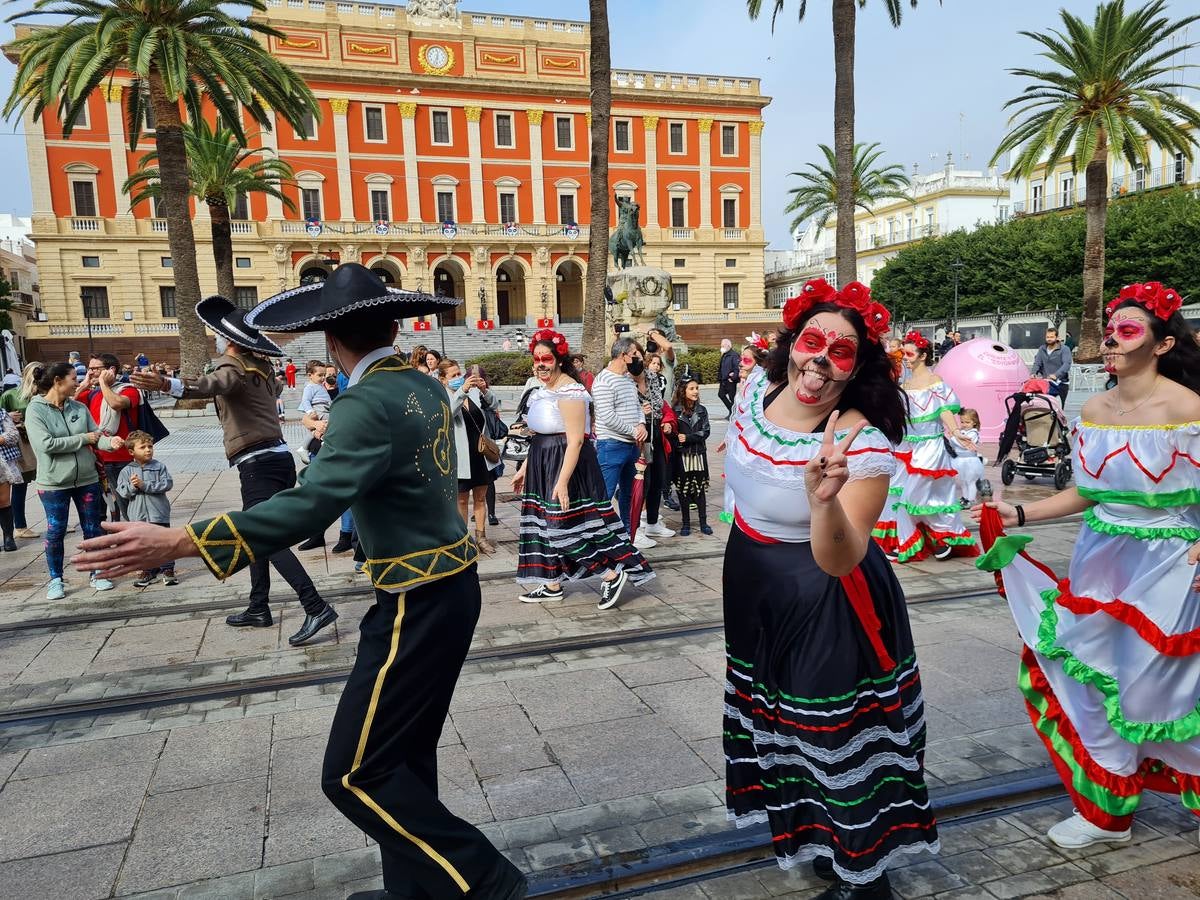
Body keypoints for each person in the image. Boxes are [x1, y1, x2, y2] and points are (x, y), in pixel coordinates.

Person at [76, 263, 527, 900]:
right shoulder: (422, 384)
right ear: (390, 327)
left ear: (332, 340)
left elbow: (310, 504)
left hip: (414, 604)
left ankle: (485, 882)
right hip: (450, 587)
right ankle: (417, 892)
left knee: (352, 774)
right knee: (402, 756)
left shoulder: (363, 401)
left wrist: (180, 539)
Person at [723, 278, 937, 897]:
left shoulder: (859, 441)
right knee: (784, 728)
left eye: (839, 352)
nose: (818, 362)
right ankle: (829, 840)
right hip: (756, 586)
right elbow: (742, 489)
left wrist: (822, 501)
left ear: (857, 365)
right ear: (791, 340)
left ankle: (867, 880)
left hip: (828, 594)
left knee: (832, 734)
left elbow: (842, 559)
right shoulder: (755, 394)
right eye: (811, 341)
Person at [971, 280, 1200, 851]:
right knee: (1092, 678)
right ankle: (1107, 812)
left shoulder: (1189, 409)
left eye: (1127, 331)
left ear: (1163, 344)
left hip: (1171, 564)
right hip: (1101, 561)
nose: (1111, 341)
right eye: (1110, 329)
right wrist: (1020, 512)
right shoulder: (1095, 408)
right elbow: (1088, 494)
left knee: (1160, 691)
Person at [131, 296, 337, 647]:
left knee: (263, 537)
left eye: (216, 335)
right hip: (275, 458)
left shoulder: (234, 366)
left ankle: (314, 605)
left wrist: (168, 385)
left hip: (258, 463)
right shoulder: (261, 367)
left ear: (229, 340)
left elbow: (212, 385)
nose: (214, 339)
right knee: (254, 533)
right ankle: (258, 607)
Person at [513, 328, 652, 609]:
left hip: (568, 465)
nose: (540, 364)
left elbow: (576, 440)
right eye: (536, 359)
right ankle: (551, 583)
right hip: (543, 463)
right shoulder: (543, 390)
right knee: (542, 525)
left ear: (559, 360)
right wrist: (526, 467)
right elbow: (541, 434)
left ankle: (610, 574)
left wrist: (562, 482)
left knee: (561, 528)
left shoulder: (571, 391)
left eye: (547, 359)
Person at [873, 330, 978, 563]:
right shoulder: (905, 384)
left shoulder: (935, 382)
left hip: (930, 446)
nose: (907, 358)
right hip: (906, 446)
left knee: (916, 494)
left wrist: (957, 432)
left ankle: (942, 535)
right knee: (899, 495)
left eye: (910, 354)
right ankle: (912, 540)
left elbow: (945, 411)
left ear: (923, 356)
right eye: (904, 354)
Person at [25, 362, 124, 599]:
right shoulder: (35, 410)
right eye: (73, 379)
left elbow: (96, 437)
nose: (77, 383)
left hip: (87, 479)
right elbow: (46, 445)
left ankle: (97, 572)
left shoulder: (78, 407)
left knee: (93, 528)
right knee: (56, 530)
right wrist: (84, 438)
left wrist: (110, 443)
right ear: (58, 381)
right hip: (54, 483)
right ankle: (56, 580)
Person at [438, 358, 501, 555]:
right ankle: (463, 540)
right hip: (461, 457)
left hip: (481, 453)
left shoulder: (473, 392)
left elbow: (493, 405)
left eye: (459, 374)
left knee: (481, 497)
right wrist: (461, 390)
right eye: (453, 375)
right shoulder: (444, 396)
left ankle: (481, 537)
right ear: (443, 379)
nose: (458, 378)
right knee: (462, 500)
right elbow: (449, 412)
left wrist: (484, 390)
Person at [593, 336, 648, 535]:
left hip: (632, 447)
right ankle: (601, 539)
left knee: (628, 496)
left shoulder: (627, 379)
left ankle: (626, 537)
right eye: (634, 354)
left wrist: (641, 422)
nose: (638, 358)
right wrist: (634, 431)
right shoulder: (603, 380)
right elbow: (607, 416)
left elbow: (637, 405)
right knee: (605, 496)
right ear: (623, 356)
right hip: (611, 446)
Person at [77, 352, 140, 522]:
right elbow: (69, 407)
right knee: (98, 511)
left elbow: (116, 403)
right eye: (89, 369)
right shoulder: (92, 393)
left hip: (123, 458)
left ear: (111, 369)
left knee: (126, 506)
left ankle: (130, 541)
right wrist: (83, 385)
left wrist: (104, 383)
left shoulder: (129, 390)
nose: (91, 373)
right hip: (96, 458)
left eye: (95, 369)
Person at [116, 430, 178, 588]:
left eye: (150, 446)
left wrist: (145, 485)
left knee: (163, 543)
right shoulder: (126, 471)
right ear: (131, 452)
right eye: (142, 447)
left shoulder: (159, 467)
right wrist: (133, 486)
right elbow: (122, 492)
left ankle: (168, 570)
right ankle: (147, 570)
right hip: (138, 516)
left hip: (159, 514)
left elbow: (167, 484)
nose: (148, 449)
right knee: (142, 545)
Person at [633, 352, 676, 549]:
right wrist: (641, 412)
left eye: (638, 354)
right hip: (638, 433)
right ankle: (635, 529)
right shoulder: (624, 380)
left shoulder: (652, 377)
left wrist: (660, 418)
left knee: (658, 478)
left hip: (655, 429)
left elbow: (660, 404)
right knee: (643, 481)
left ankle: (651, 522)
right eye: (632, 354)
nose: (636, 359)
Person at [0, 362, 43, 539]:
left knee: (45, 480)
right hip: (21, 443)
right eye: (36, 372)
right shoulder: (11, 395)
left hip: (39, 439)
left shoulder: (44, 393)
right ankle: (20, 525)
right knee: (20, 484)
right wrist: (9, 417)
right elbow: (1, 415)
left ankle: (55, 520)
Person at [670, 375, 712, 536]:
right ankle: (685, 523)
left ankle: (703, 522)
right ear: (683, 391)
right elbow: (672, 434)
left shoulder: (702, 410)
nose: (695, 391)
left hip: (698, 454)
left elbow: (706, 431)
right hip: (682, 455)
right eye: (692, 388)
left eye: (697, 388)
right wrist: (678, 439)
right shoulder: (675, 411)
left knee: (700, 489)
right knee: (683, 490)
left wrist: (688, 437)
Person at [949, 408, 984, 506]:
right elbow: (953, 444)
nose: (964, 424)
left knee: (970, 481)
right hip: (959, 460)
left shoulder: (973, 433)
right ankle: (964, 498)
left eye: (967, 422)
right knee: (963, 481)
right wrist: (954, 438)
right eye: (962, 422)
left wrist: (953, 437)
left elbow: (963, 445)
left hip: (970, 461)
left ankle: (971, 499)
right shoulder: (961, 432)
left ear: (974, 422)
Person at [1031, 326, 1073, 405]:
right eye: (1047, 337)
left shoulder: (1064, 349)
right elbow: (1037, 363)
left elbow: (1066, 364)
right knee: (1044, 406)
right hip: (1046, 383)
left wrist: (1056, 375)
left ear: (1057, 337)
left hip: (1061, 383)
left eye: (1052, 337)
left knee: (1058, 408)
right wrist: (1033, 373)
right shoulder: (1042, 349)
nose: (1049, 339)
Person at [0, 405, 21, 550]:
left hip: (2, 463)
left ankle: (8, 537)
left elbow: (14, 435)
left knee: (3, 500)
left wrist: (1, 439)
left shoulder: (1, 413)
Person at [717, 338, 740, 416]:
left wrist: (733, 378)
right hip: (723, 380)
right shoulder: (724, 355)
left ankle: (734, 413)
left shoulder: (734, 355)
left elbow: (737, 368)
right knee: (721, 394)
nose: (721, 347)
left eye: (723, 346)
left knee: (732, 398)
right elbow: (721, 367)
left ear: (728, 345)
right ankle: (732, 410)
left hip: (730, 381)